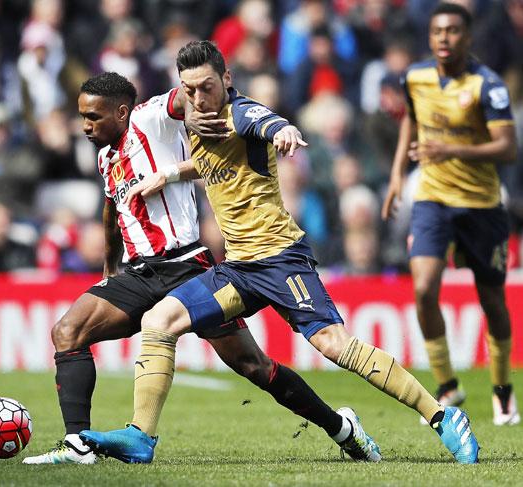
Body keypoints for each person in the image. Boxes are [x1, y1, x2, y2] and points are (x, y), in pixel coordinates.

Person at [80, 40, 479, 465]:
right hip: (238, 269)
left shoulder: (241, 112)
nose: (198, 98)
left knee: (333, 344)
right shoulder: (200, 122)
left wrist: (284, 131)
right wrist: (171, 173)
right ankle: (141, 437)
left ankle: (441, 416)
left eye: (207, 87)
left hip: (280, 259)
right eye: (189, 89)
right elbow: (214, 160)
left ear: (227, 80)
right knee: (159, 321)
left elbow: (265, 122)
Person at [22, 72, 381, 465]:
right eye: (82, 116)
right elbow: (112, 209)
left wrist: (191, 113)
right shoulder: (105, 156)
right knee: (68, 332)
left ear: (121, 112)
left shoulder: (148, 119)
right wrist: (110, 269)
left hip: (188, 268)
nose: (86, 125)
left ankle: (342, 428)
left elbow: (178, 99)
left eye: (93, 116)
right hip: (141, 274)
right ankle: (77, 445)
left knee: (253, 366)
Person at [382, 2, 520, 426]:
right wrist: (396, 175)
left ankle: (502, 391)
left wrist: (449, 149)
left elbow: (509, 149)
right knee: (423, 288)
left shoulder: (487, 86)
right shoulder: (416, 77)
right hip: (433, 199)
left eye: (454, 31)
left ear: (468, 37)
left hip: (481, 205)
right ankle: (447, 387)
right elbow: (412, 119)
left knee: (492, 300)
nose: (445, 38)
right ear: (430, 37)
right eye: (438, 31)